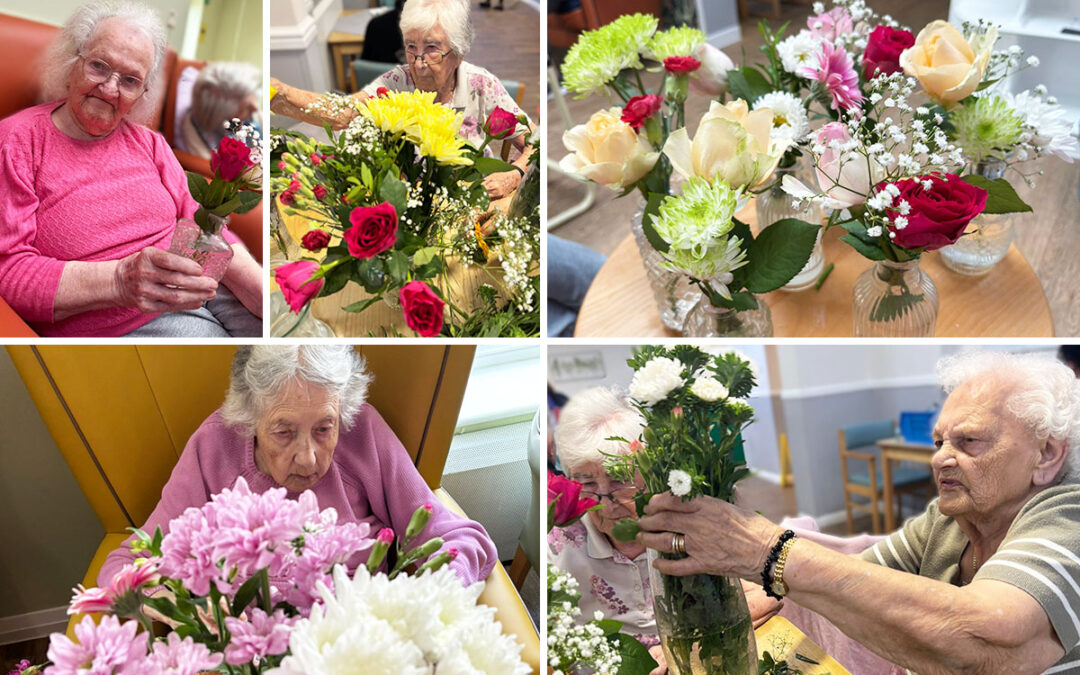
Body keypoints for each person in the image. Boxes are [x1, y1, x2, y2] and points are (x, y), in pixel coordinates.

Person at [638, 351, 1080, 673]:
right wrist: (714, 626)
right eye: (939, 442)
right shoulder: (949, 520)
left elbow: (982, 640)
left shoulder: (1069, 516)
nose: (941, 458)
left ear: (1045, 456)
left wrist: (765, 550)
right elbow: (854, 576)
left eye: (969, 442)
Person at [99, 344, 497, 588]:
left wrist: (441, 588)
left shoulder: (362, 431)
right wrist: (167, 598)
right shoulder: (213, 445)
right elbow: (129, 562)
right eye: (284, 432)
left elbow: (460, 540)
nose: (308, 458)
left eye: (324, 428)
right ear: (249, 417)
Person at [0, 1, 262, 337]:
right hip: (118, 320)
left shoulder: (149, 143)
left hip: (194, 283)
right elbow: (8, 271)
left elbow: (203, 223)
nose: (110, 89)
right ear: (72, 61)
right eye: (98, 66)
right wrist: (120, 280)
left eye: (129, 80)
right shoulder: (17, 142)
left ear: (142, 93)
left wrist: (260, 296)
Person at [270, 0, 533, 199]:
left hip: (473, 197)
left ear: (458, 53)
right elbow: (343, 113)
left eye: (431, 49)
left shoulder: (481, 84)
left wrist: (515, 173)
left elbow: (537, 142)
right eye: (410, 47)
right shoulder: (394, 83)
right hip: (407, 203)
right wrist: (282, 94)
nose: (418, 64)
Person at [547, 387, 669, 674]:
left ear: (651, 474)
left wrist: (681, 645)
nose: (605, 501)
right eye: (587, 484)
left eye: (619, 480)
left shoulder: (682, 521)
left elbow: (763, 591)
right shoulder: (556, 548)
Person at [178, 61, 261, 160]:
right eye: (247, 107)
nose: (255, 108)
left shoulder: (252, 114)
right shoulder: (197, 136)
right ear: (222, 113)